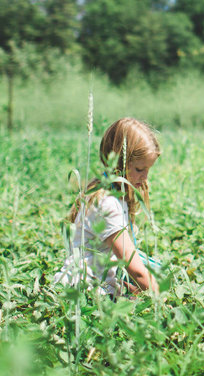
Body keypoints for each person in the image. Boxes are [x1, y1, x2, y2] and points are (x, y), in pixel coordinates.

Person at [55, 117, 162, 297]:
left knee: (155, 269)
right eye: (139, 169)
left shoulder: (111, 194)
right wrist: (162, 300)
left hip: (100, 285)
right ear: (119, 163)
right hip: (83, 292)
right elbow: (137, 271)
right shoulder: (107, 204)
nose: (145, 177)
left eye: (148, 170)